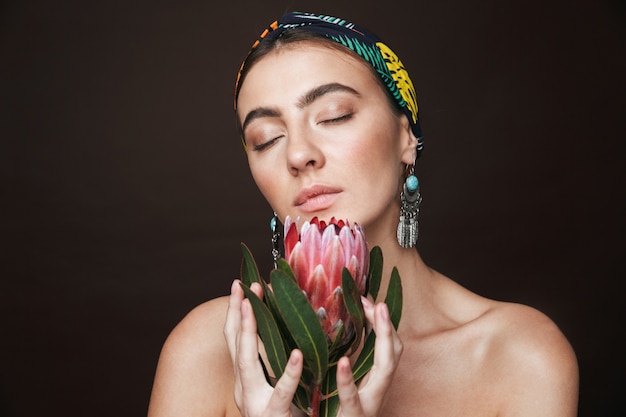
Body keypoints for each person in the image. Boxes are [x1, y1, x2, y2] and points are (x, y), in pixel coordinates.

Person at [147, 11, 579, 417]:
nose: (298, 154)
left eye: (334, 116)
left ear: (406, 135)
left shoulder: (519, 357)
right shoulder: (209, 348)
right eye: (266, 139)